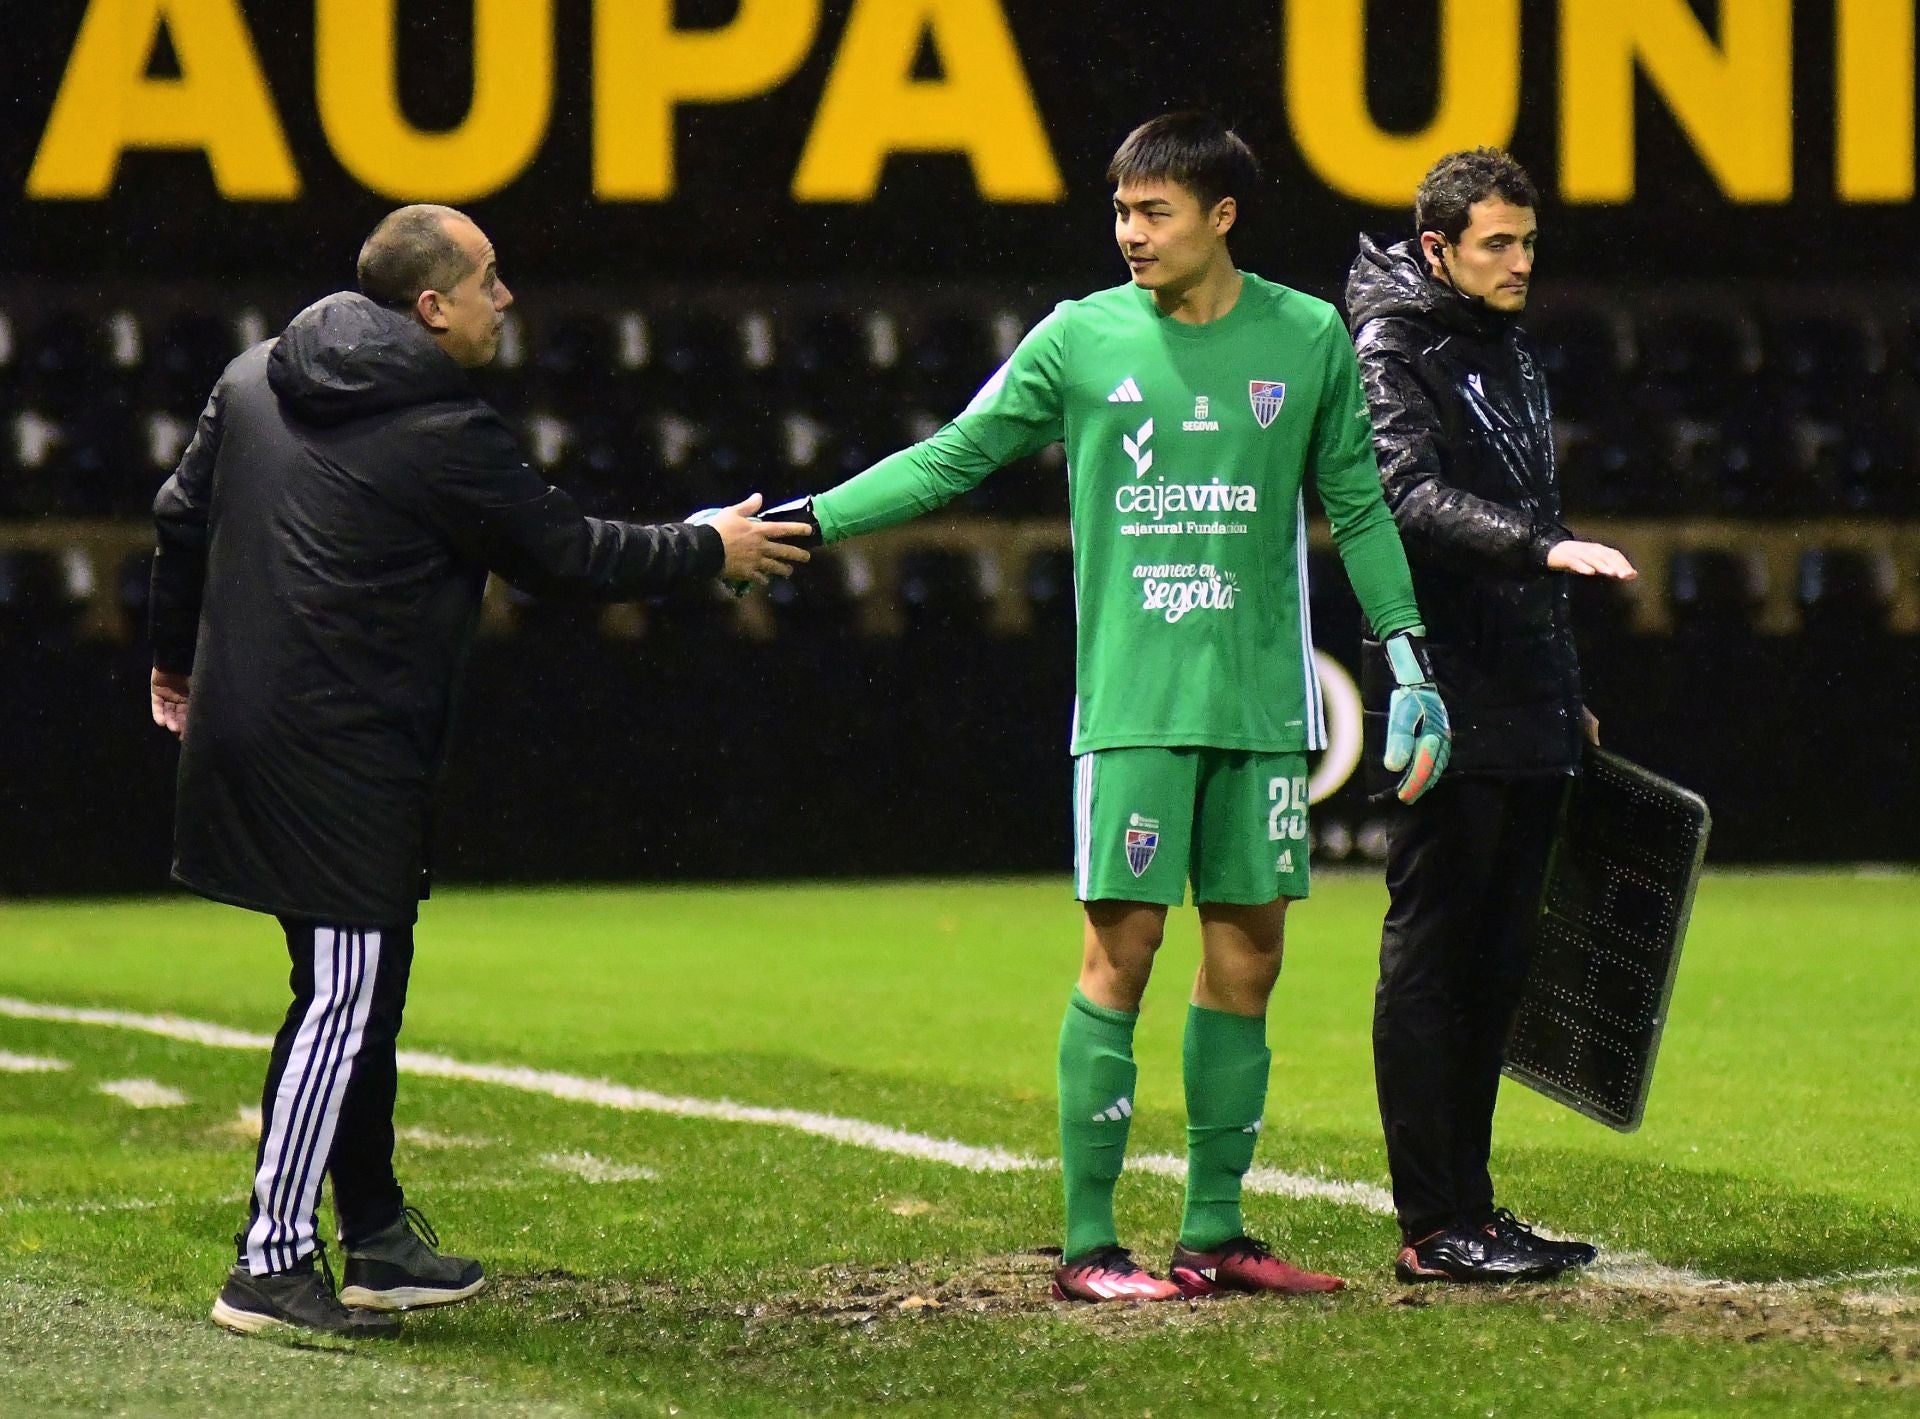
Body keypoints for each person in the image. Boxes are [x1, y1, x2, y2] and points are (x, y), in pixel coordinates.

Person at [768, 113, 1450, 1303]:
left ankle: (1215, 1233)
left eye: (1155, 213)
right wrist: (809, 521)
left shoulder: (1308, 335)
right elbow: (953, 457)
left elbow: (1361, 502)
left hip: (1262, 708)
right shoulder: (1079, 338)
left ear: (1221, 215)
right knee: (1119, 956)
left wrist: (1410, 659)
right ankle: (1090, 1248)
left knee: (1249, 961)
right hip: (1134, 706)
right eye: (1121, 212)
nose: (1129, 234)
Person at [148, 204, 811, 1338]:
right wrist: (709, 546)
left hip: (263, 727)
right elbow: (568, 556)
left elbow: (179, 519)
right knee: (343, 998)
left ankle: (379, 1235)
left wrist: (172, 663)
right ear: (430, 306)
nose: (508, 299)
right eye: (491, 280)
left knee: (364, 988)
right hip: (337, 750)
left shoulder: (254, 375)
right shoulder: (445, 430)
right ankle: (269, 1262)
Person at [1345, 149, 1638, 1283]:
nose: (1520, 264)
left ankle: (1473, 1208)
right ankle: (1433, 1225)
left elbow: (1520, 503)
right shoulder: (1392, 346)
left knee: (1498, 965)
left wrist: (1563, 692)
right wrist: (1541, 548)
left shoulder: (1498, 342)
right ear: (1436, 249)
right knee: (1437, 959)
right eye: (1496, 245)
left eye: (1527, 243)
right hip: (1442, 696)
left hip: (1523, 695)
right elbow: (1402, 499)